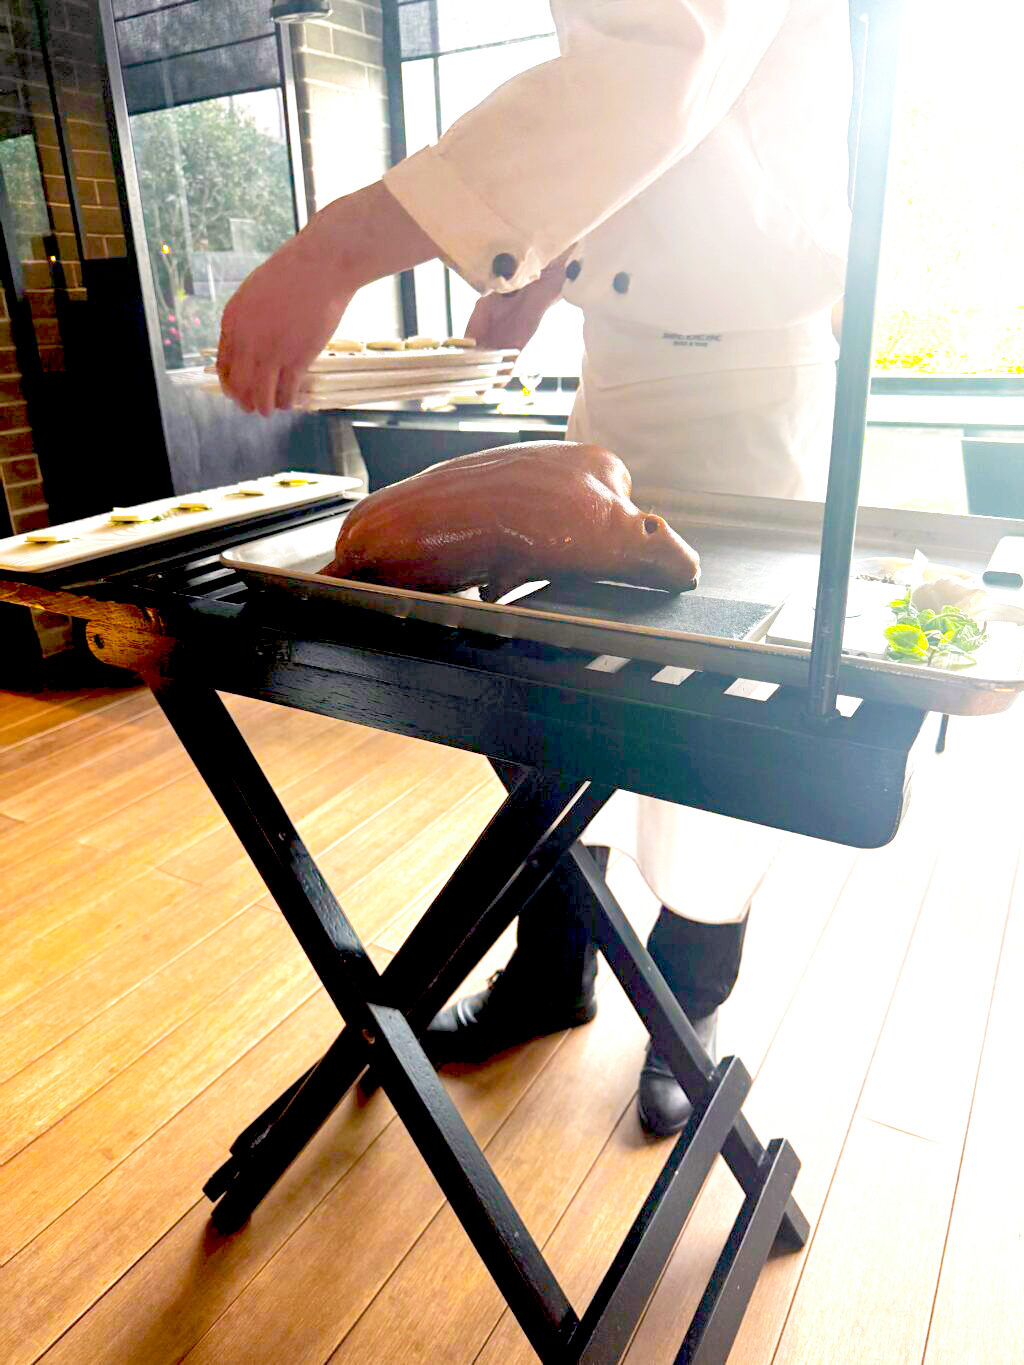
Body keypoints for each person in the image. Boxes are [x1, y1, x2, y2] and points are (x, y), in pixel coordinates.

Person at [217, 0, 853, 1136]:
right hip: (618, 363)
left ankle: (688, 1002)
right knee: (550, 685)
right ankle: (551, 967)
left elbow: (669, 62)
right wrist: (550, 270)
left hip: (755, 369)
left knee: (711, 717)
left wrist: (339, 247)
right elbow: (640, 136)